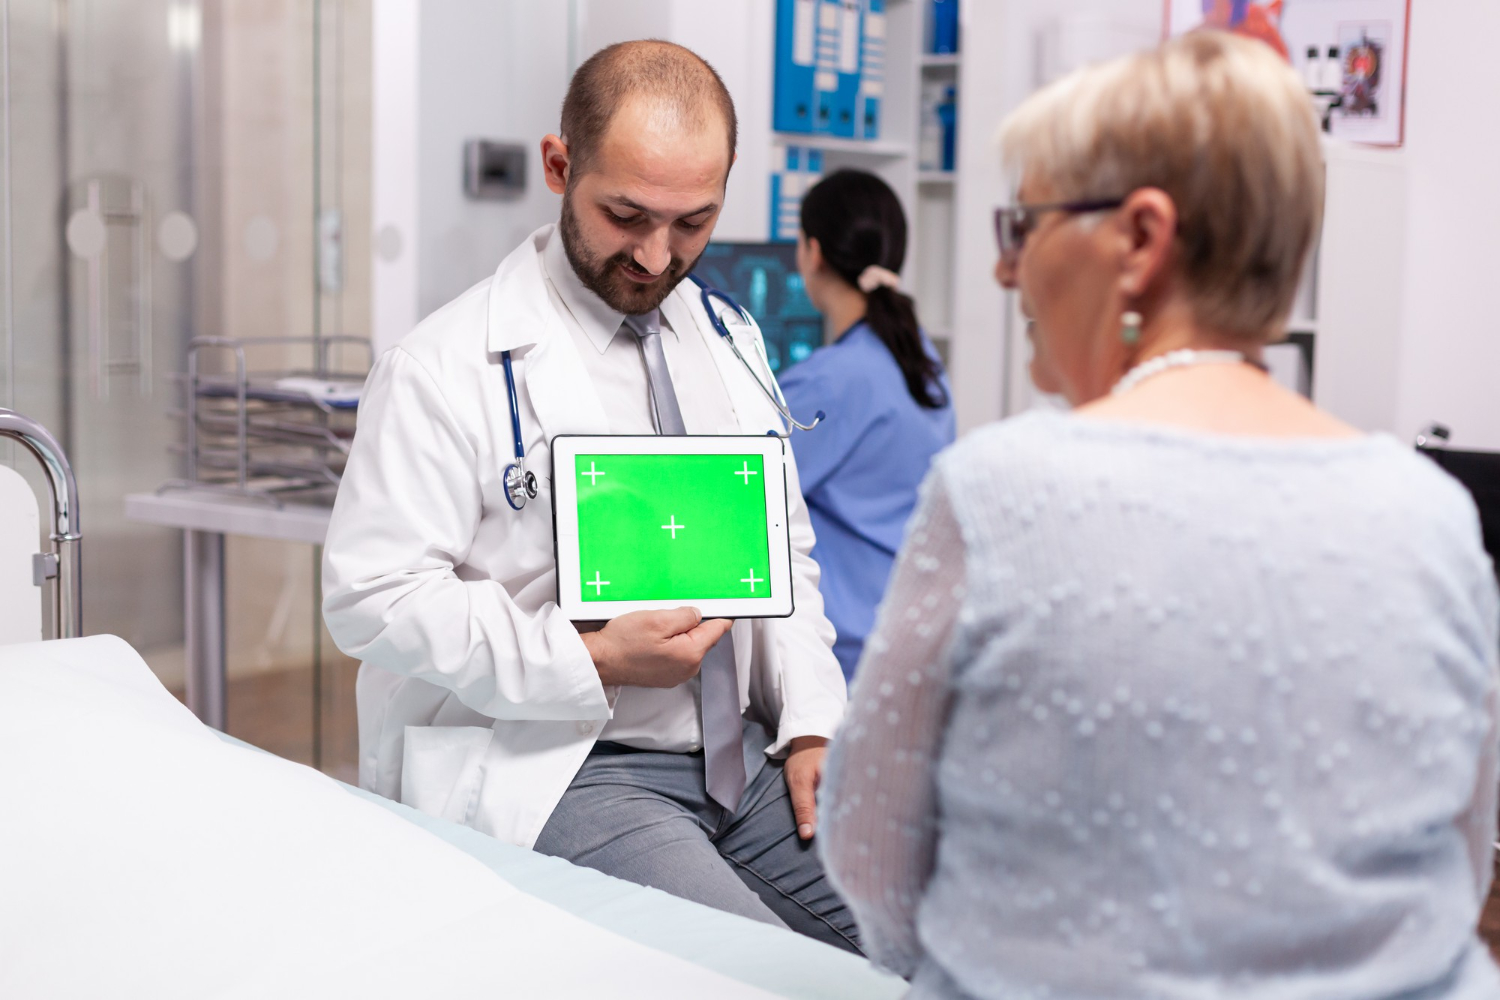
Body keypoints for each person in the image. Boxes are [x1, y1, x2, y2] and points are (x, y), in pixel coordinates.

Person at [820, 30, 1500, 997]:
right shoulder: (1433, 514)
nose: (1008, 273)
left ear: (1138, 240)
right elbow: (1462, 864)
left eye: (1025, 227)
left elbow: (874, 855)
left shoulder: (1002, 493)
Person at [322, 40, 857, 952]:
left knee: (926, 942)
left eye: (694, 222)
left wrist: (813, 724)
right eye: (627, 214)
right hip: (569, 758)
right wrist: (593, 657)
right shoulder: (443, 368)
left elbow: (787, 557)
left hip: (745, 755)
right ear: (559, 165)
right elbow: (370, 600)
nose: (657, 255)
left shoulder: (731, 339)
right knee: (756, 969)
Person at [778, 170, 956, 681]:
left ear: (812, 252)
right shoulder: (921, 358)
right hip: (908, 629)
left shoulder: (830, 381)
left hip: (846, 651)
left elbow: (744, 492)